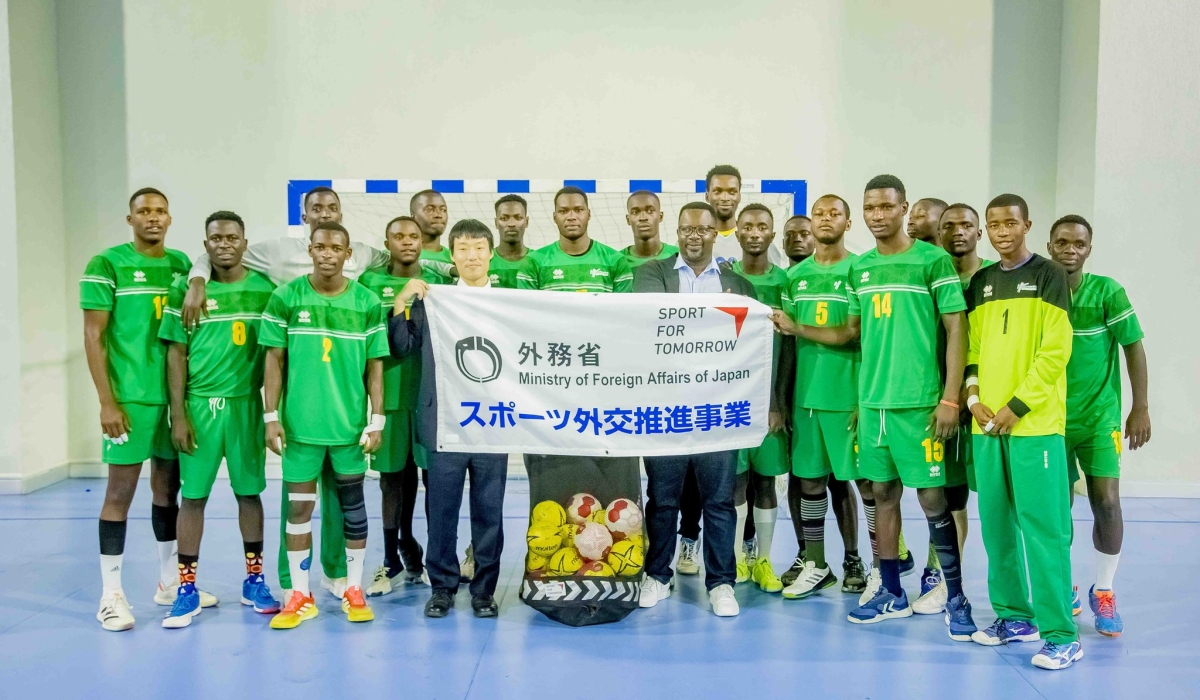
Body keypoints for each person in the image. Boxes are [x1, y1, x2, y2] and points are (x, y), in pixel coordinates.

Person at [179, 186, 447, 598]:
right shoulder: (275, 262)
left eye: (332, 209)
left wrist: (449, 271)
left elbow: (407, 258)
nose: (325, 217)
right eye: (316, 210)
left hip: (346, 400)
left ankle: (338, 575)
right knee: (298, 499)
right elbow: (218, 251)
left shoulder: (364, 268)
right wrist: (197, 279)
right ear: (305, 226)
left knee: (343, 498)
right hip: (302, 402)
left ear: (346, 249)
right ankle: (291, 584)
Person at [772, 175, 975, 639]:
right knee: (882, 496)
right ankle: (890, 593)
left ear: (903, 208)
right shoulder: (859, 270)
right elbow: (851, 333)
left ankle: (957, 597)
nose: (877, 215)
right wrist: (799, 330)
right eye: (871, 208)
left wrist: (949, 397)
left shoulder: (932, 260)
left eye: (886, 206)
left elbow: (956, 330)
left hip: (920, 404)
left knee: (931, 499)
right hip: (872, 405)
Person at [81, 188, 213, 631]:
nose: (152, 218)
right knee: (120, 493)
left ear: (170, 219)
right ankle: (111, 595)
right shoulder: (107, 264)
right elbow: (93, 337)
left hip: (175, 396)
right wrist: (106, 401)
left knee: (166, 490)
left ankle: (168, 583)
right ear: (130, 218)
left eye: (160, 211)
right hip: (130, 398)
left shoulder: (180, 264)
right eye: (144, 212)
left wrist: (197, 279)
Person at [965, 194, 1081, 670]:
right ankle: (1014, 617)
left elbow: (1055, 352)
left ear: (1027, 224)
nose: (1001, 230)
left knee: (1044, 531)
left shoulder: (1050, 276)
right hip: (987, 427)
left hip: (1036, 427)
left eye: (1010, 222)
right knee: (996, 527)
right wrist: (973, 399)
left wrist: (1017, 405)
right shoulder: (982, 281)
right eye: (993, 224)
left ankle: (1061, 634)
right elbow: (972, 349)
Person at [260, 222, 389, 628]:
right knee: (298, 511)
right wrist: (271, 416)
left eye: (336, 247)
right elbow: (273, 361)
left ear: (348, 254)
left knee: (353, 512)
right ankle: (298, 594)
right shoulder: (285, 297)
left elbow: (376, 367)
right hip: (300, 430)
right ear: (310, 250)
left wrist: (377, 420)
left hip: (349, 430)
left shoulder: (367, 302)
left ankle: (353, 588)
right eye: (320, 247)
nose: (328, 253)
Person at [634, 202, 756, 617]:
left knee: (719, 501)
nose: (694, 236)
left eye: (703, 229)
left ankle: (721, 583)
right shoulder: (652, 274)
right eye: (687, 229)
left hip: (717, 410)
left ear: (715, 233)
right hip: (664, 408)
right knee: (662, 498)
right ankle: (657, 575)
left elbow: (750, 348)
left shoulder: (739, 285)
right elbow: (654, 324)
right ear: (678, 231)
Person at [158, 211, 279, 627]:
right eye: (215, 238)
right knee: (193, 498)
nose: (224, 244)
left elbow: (276, 357)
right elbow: (175, 353)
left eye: (232, 237)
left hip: (245, 406)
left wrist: (271, 413)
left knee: (249, 494)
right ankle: (187, 588)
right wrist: (178, 414)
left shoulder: (265, 290)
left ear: (245, 243)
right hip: (199, 407)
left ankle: (254, 579)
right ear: (205, 245)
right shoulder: (185, 290)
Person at [388, 219, 508, 619]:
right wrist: (401, 302)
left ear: (491, 253)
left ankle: (484, 590)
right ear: (451, 256)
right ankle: (441, 587)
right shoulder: (432, 302)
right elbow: (402, 346)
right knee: (441, 509)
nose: (471, 256)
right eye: (463, 249)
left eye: (478, 248)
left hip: (495, 422)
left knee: (489, 510)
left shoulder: (511, 304)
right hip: (445, 423)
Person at [1048, 213, 1151, 637]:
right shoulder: (1039, 291)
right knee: (1055, 508)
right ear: (1050, 245)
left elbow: (1133, 347)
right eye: (1063, 242)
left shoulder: (1107, 292)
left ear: (1089, 249)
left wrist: (1139, 406)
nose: (1071, 249)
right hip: (1048, 418)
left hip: (1098, 419)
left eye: (1079, 243)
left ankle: (1104, 591)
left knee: (1106, 501)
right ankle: (1066, 586)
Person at [777, 194, 870, 599]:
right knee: (810, 482)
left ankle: (865, 561)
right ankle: (816, 563)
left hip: (847, 398)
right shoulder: (793, 279)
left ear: (848, 223)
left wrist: (864, 400)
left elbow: (855, 334)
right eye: (819, 214)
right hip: (805, 400)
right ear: (810, 222)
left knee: (867, 485)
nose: (826, 219)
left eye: (835, 214)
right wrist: (782, 401)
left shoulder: (860, 269)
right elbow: (783, 347)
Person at [910, 203, 993, 615]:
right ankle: (940, 574)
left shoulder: (992, 276)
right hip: (943, 399)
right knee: (943, 492)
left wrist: (966, 395)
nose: (957, 232)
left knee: (991, 498)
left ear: (979, 232)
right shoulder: (932, 273)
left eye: (965, 225)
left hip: (985, 402)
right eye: (948, 227)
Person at [358, 217, 430, 597]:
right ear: (386, 241)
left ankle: (431, 555)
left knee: (432, 480)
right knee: (392, 481)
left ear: (422, 241)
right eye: (398, 236)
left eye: (413, 236)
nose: (406, 242)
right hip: (386, 398)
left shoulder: (440, 284)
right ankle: (391, 560)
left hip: (429, 398)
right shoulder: (369, 284)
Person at [729, 203, 792, 593]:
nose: (755, 232)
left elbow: (789, 350)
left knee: (765, 483)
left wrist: (777, 403)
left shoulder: (786, 281)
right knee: (735, 484)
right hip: (732, 403)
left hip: (769, 404)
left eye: (762, 227)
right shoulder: (723, 280)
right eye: (747, 226)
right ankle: (736, 558)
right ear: (736, 233)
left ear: (772, 235)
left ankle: (764, 560)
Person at [704, 164, 787, 266]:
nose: (725, 198)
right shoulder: (696, 240)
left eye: (732, 192)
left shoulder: (761, 241)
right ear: (707, 196)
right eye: (718, 191)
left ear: (739, 196)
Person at [622, 190, 678, 268]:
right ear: (628, 219)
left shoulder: (679, 256)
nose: (643, 218)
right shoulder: (616, 261)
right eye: (635, 212)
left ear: (660, 216)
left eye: (650, 211)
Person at [412, 189, 456, 285]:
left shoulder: (455, 258)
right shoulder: (394, 257)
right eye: (429, 209)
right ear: (413, 216)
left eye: (443, 210)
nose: (438, 215)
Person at [489, 194, 530, 288]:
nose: (511, 224)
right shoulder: (484, 261)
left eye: (518, 218)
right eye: (504, 218)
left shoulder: (538, 261)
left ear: (526, 221)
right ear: (496, 223)